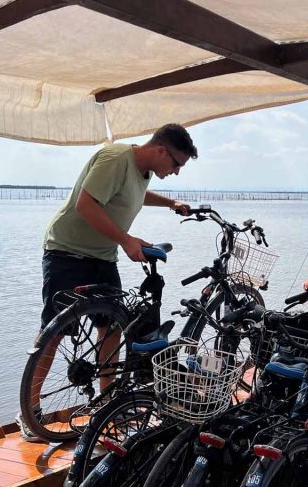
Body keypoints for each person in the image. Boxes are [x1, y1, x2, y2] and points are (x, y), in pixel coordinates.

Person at [19, 124, 196, 440]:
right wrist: (127, 240)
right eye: (177, 164)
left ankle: (106, 404)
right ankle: (30, 413)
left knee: (112, 327)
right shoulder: (115, 158)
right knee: (55, 331)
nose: (177, 172)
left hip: (102, 257)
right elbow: (85, 204)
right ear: (160, 150)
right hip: (67, 252)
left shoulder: (144, 171)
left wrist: (170, 203)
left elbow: (135, 195)